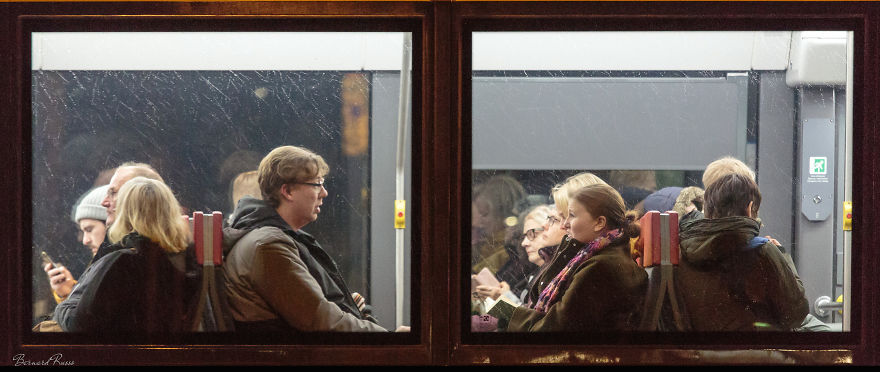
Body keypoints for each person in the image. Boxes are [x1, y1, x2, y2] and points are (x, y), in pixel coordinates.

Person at [222, 145, 407, 333]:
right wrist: (391, 340)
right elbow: (322, 321)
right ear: (287, 191)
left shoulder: (272, 238)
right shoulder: (269, 246)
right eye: (317, 184)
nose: (324, 193)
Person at [53, 177, 194, 332]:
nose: (107, 204)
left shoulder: (123, 262)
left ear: (125, 213)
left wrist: (65, 304)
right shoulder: (180, 260)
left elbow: (79, 324)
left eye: (114, 197)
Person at [501, 184, 647, 332]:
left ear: (599, 223)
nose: (564, 224)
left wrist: (505, 314)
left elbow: (555, 327)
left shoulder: (600, 267)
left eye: (571, 215)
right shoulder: (596, 258)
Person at [674, 173, 809, 331]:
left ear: (707, 209)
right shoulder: (762, 252)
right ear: (750, 208)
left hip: (699, 350)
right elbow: (795, 315)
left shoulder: (681, 248)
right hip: (753, 351)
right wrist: (782, 255)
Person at [43, 185, 110, 304]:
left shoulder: (118, 267)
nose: (85, 240)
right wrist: (68, 291)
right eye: (82, 231)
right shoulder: (102, 264)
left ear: (110, 225)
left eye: (89, 229)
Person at [471, 174, 527, 275]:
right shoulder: (485, 245)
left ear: (503, 213)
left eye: (484, 213)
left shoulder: (511, 250)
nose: (478, 222)